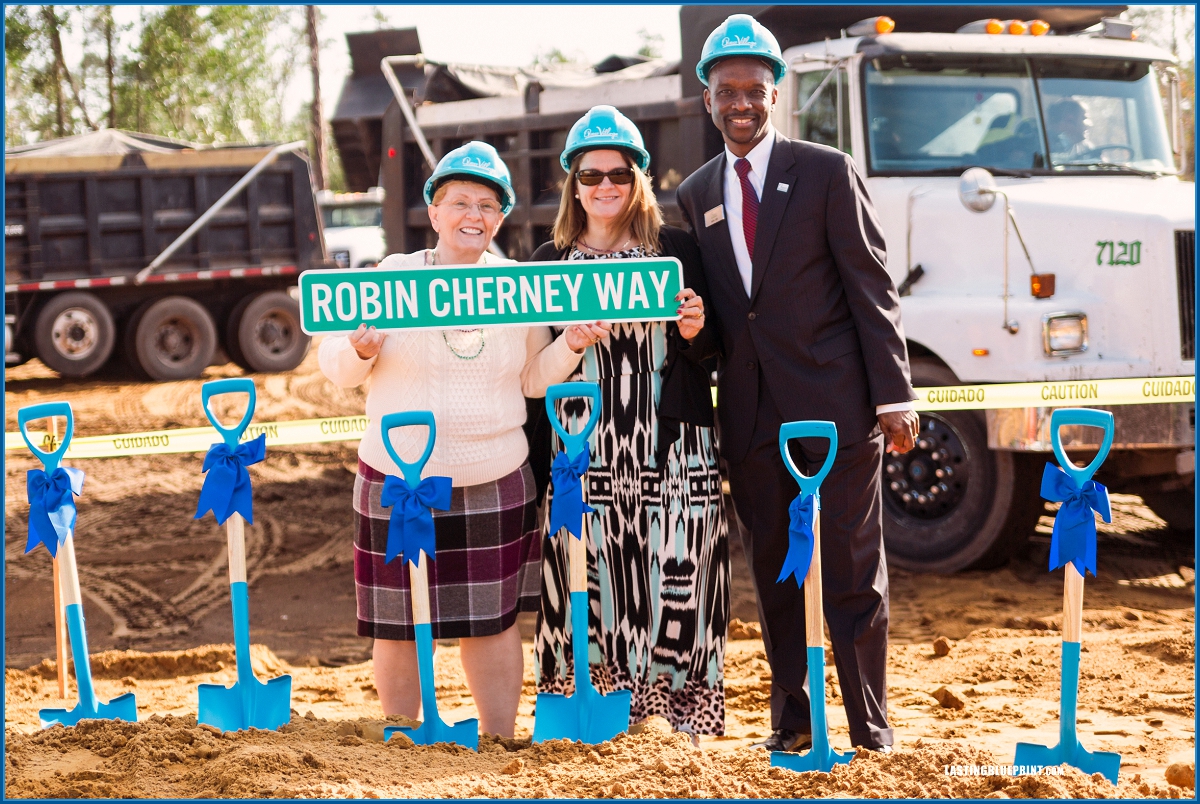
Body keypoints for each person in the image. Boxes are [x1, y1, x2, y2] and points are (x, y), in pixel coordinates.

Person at [676, 15, 920, 754]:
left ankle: (868, 726)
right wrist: (695, 330)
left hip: (836, 413)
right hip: (751, 420)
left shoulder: (824, 170)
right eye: (727, 91)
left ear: (775, 94)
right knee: (778, 577)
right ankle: (792, 724)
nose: (741, 103)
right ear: (708, 100)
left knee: (850, 572)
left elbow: (870, 290)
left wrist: (894, 394)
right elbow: (725, 317)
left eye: (755, 89)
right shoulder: (693, 194)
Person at [318, 142, 605, 738]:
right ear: (435, 212)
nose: (473, 215)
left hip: (492, 479)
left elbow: (531, 379)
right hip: (398, 482)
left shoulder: (518, 288)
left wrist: (571, 345)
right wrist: (360, 349)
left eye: (486, 205)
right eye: (459, 203)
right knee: (397, 623)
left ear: (499, 219)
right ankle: (401, 737)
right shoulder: (392, 277)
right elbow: (336, 367)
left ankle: (498, 739)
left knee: (492, 622)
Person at [528, 105, 729, 744]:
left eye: (619, 172)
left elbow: (717, 350)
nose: (605, 186)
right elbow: (534, 373)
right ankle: (588, 706)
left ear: (639, 177)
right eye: (591, 175)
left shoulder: (680, 251)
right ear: (573, 183)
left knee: (676, 576)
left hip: (673, 446)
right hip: (581, 446)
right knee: (589, 577)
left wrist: (696, 332)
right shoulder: (548, 260)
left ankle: (677, 718)